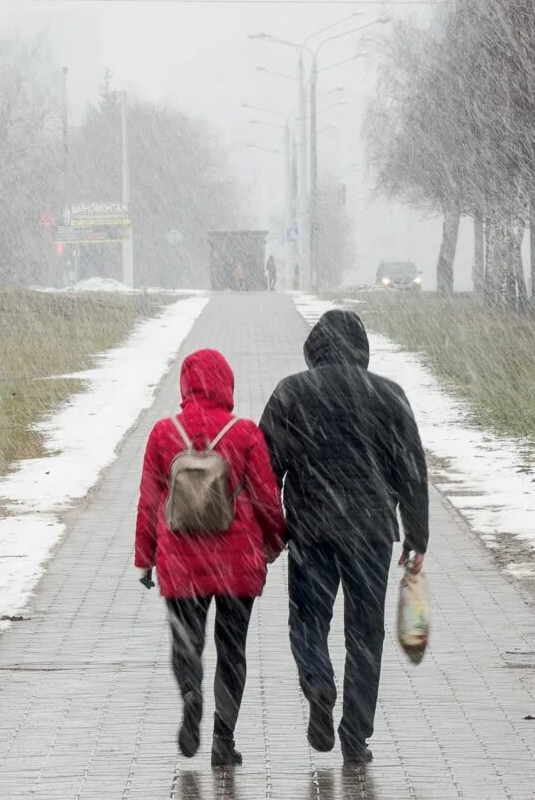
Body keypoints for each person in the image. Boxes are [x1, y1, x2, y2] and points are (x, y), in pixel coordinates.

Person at [259, 310, 428, 765]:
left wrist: (269, 529)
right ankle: (355, 734)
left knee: (309, 621)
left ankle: (318, 681)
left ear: (315, 349)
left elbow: (263, 469)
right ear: (362, 349)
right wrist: (416, 535)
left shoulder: (292, 392)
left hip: (312, 529)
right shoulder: (389, 395)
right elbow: (412, 470)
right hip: (371, 532)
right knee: (365, 633)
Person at [135, 349, 286, 766]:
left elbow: (149, 502)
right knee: (232, 649)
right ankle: (224, 738)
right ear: (226, 384)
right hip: (237, 561)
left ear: (185, 384)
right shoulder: (244, 433)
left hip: (180, 560)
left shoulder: (164, 433)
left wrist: (145, 558)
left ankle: (189, 692)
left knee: (187, 643)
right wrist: (275, 541)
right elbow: (266, 498)